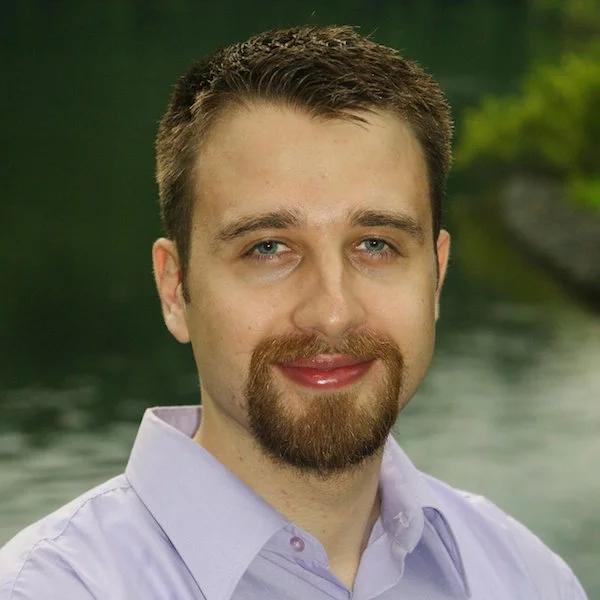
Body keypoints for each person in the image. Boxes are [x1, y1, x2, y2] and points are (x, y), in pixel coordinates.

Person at [0, 25, 587, 600]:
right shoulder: (48, 588)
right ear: (175, 288)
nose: (332, 313)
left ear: (436, 274)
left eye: (376, 244)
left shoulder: (528, 578)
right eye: (268, 249)